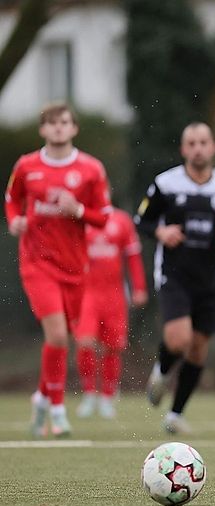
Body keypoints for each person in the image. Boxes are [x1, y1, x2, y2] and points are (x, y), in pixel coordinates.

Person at [135, 122, 215, 434]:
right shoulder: (165, 184)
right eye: (191, 143)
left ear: (213, 147)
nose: (198, 148)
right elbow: (142, 221)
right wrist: (160, 231)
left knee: (198, 349)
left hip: (210, 279)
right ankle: (161, 373)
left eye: (203, 142)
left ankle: (175, 414)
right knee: (179, 339)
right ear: (183, 149)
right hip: (174, 274)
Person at [4, 102, 113, 437]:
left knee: (61, 337)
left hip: (75, 267)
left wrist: (78, 209)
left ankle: (40, 396)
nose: (58, 128)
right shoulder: (27, 165)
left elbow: (104, 215)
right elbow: (11, 198)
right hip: (36, 263)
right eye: (52, 123)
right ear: (43, 129)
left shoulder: (92, 169)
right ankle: (57, 409)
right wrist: (15, 221)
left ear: (74, 128)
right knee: (57, 335)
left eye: (64, 122)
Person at [74, 207, 148, 419]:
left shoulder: (121, 220)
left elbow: (133, 255)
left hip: (114, 293)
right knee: (85, 342)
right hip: (87, 291)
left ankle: (107, 397)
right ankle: (89, 394)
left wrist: (139, 287)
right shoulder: (80, 218)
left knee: (112, 347)